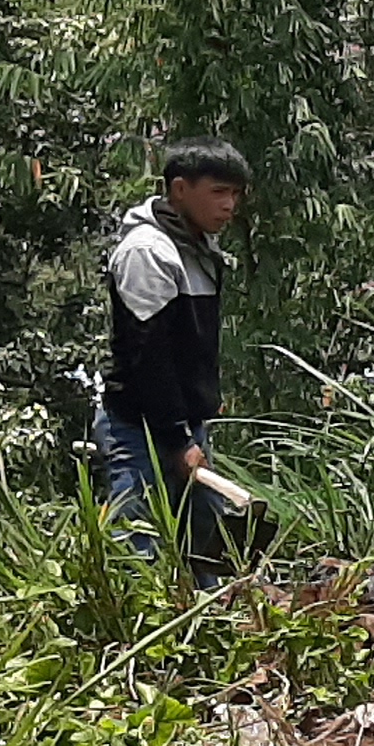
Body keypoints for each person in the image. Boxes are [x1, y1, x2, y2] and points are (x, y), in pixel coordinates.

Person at [100, 139, 255, 571]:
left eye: (235, 195)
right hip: (141, 428)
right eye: (218, 192)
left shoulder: (197, 247)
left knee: (206, 547)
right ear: (180, 190)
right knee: (137, 548)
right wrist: (176, 439)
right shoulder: (149, 252)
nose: (229, 206)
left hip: (182, 426)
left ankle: (210, 631)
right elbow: (148, 355)